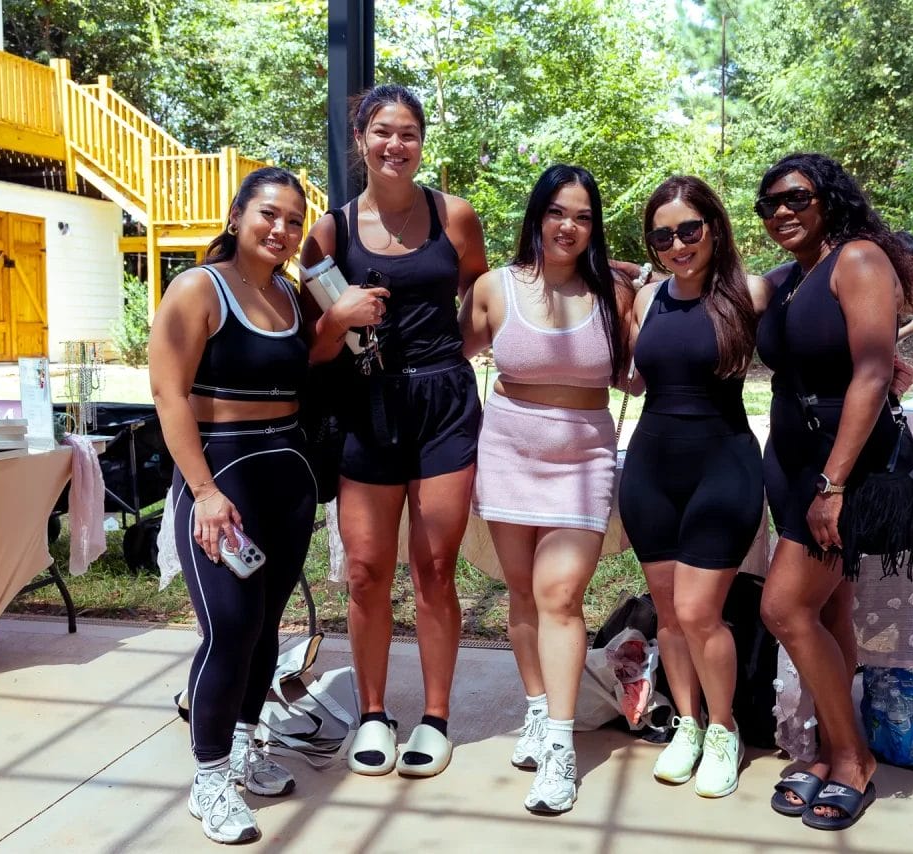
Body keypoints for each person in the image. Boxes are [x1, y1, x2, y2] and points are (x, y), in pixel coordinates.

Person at [300, 84, 488, 779]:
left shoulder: (455, 216)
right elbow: (313, 348)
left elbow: (480, 298)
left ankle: (435, 719)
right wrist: (338, 318)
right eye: (382, 131)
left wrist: (451, 357)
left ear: (421, 142)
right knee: (366, 571)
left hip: (443, 407)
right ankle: (374, 713)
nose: (395, 145)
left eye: (408, 133)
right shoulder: (330, 232)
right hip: (366, 407)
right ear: (360, 139)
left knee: (435, 568)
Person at [150, 167, 341, 844]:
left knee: (263, 627)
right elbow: (169, 394)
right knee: (229, 628)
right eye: (268, 214)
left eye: (294, 220)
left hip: (287, 478)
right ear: (236, 217)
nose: (281, 230)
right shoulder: (199, 288)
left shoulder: (289, 294)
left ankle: (240, 745)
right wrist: (203, 492)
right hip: (221, 481)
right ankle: (208, 778)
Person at [753, 152, 913, 831]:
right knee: (828, 611)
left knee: (784, 608)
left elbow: (873, 372)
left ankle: (853, 758)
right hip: (791, 459)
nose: (781, 212)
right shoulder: (791, 278)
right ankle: (828, 749)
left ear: (829, 197)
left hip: (839, 465)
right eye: (769, 205)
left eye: (795, 197)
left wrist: (834, 485)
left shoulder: (857, 259)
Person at [459, 164, 632, 814]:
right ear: (537, 215)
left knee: (560, 595)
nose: (569, 226)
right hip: (508, 451)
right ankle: (537, 707)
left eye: (584, 217)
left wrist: (656, 293)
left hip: (583, 459)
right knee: (524, 595)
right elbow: (447, 357)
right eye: (558, 212)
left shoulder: (611, 294)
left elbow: (636, 376)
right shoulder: (494, 287)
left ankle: (560, 744)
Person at [618, 175, 767, 799]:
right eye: (662, 237)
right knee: (669, 615)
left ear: (713, 227)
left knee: (700, 612)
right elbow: (633, 380)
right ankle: (687, 722)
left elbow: (814, 339)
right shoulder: (647, 298)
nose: (677, 245)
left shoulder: (750, 292)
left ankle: (724, 729)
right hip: (651, 470)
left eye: (688, 230)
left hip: (724, 467)